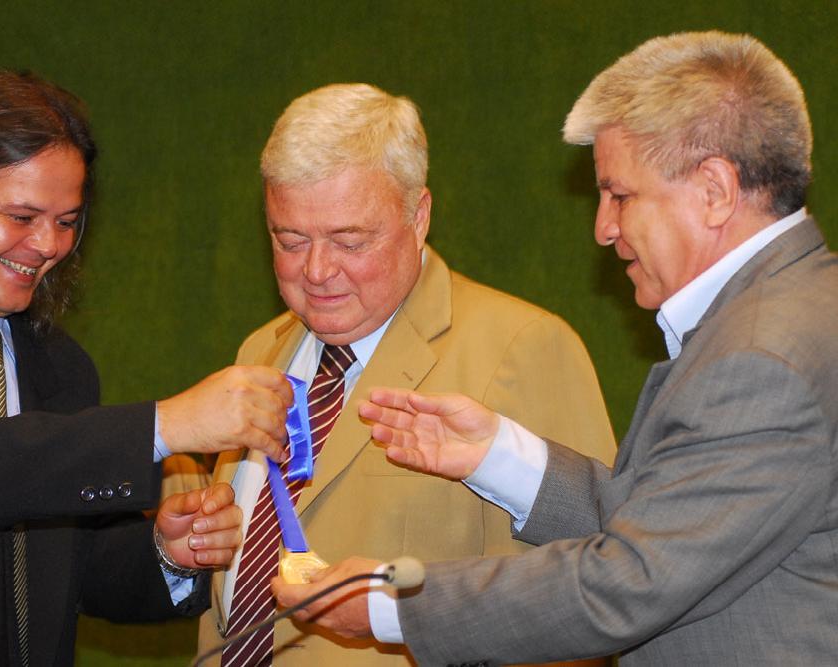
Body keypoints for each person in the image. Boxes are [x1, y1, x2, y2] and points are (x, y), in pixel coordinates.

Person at [272, 31, 838, 665]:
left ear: (715, 190)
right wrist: (498, 456)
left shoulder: (761, 356)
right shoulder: (797, 309)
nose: (603, 228)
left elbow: (627, 582)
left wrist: (391, 605)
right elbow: (662, 526)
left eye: (620, 196)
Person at [0, 70, 293, 666]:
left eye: (67, 221)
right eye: (22, 217)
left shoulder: (61, 366)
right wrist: (164, 426)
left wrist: (167, 553)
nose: (48, 245)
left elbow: (78, 565)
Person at [196, 83, 616, 666]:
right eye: (289, 240)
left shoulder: (524, 348)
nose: (316, 270)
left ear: (419, 217)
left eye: (349, 241)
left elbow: (584, 602)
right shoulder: (260, 350)